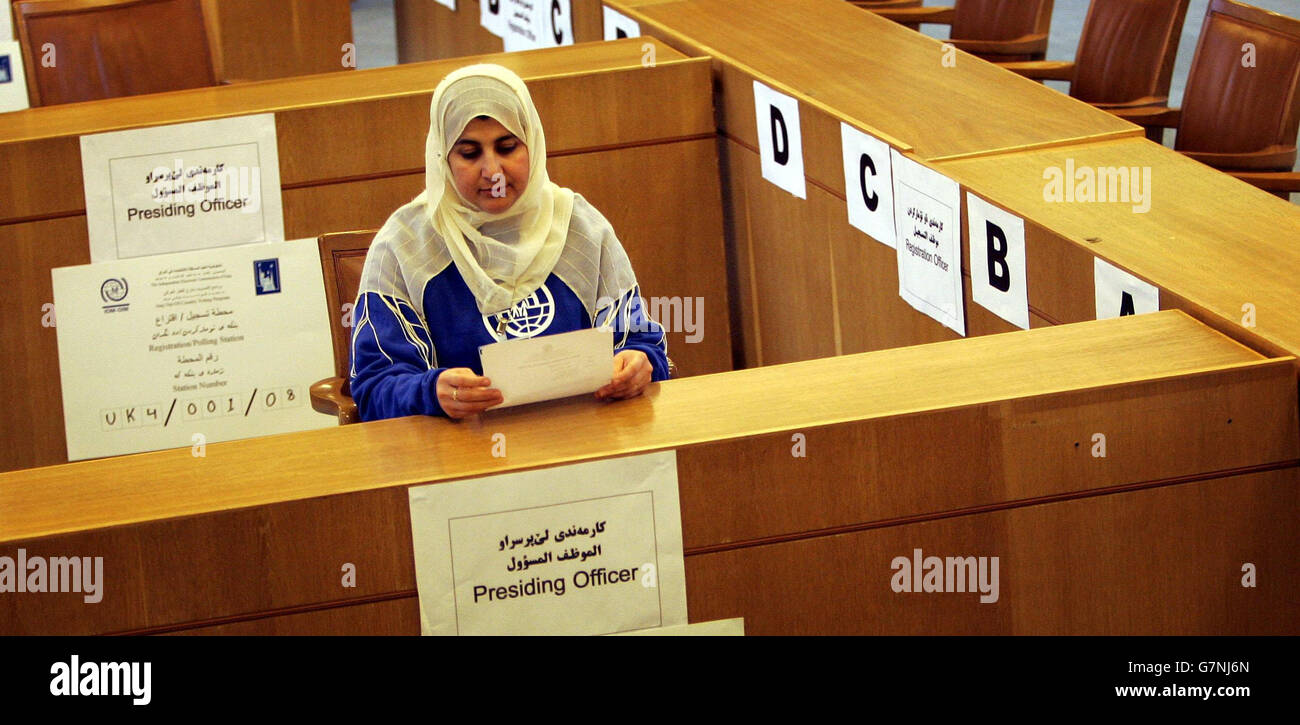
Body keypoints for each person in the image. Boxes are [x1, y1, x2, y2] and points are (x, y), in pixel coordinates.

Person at [350, 64, 670, 421]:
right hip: (459, 458)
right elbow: (375, 388)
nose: (494, 172)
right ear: (443, 158)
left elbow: (642, 346)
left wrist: (638, 367)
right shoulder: (405, 245)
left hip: (584, 446)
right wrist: (429, 392)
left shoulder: (579, 227)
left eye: (507, 147)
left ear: (532, 143)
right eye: (470, 153)